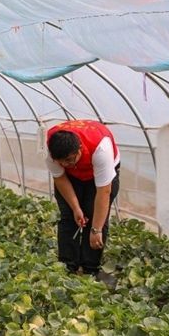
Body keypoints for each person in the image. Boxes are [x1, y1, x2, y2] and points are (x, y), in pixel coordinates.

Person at [45, 119, 120, 278]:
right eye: (62, 162)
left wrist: (96, 230)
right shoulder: (51, 152)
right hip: (72, 178)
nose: (67, 164)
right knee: (68, 217)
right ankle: (67, 267)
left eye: (70, 159)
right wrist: (76, 208)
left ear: (79, 148)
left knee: (94, 216)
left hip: (100, 175)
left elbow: (104, 192)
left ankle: (90, 269)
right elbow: (60, 178)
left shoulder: (101, 149)